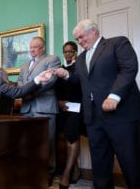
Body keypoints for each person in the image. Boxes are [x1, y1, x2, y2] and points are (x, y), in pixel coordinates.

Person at [53, 19, 140, 189]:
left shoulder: (117, 43)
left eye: (82, 37)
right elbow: (83, 82)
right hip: (94, 118)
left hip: (121, 116)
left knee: (132, 165)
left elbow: (129, 68)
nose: (80, 42)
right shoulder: (82, 58)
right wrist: (66, 75)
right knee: (100, 167)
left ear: (94, 31)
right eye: (77, 39)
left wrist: (114, 96)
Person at [17, 36, 61, 186]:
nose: (31, 50)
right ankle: (31, 171)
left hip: (44, 107)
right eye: (30, 47)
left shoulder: (52, 59)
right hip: (26, 108)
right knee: (28, 143)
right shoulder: (24, 65)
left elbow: (51, 80)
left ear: (42, 47)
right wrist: (24, 92)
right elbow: (20, 82)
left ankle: (48, 173)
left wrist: (32, 92)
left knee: (47, 142)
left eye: (35, 47)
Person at [55, 41, 84, 189]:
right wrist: (59, 102)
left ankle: (66, 174)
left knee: (71, 138)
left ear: (75, 52)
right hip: (62, 109)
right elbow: (56, 90)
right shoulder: (59, 69)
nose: (67, 54)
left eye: (70, 51)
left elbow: (81, 87)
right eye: (65, 51)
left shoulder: (80, 66)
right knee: (63, 137)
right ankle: (76, 169)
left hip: (76, 108)